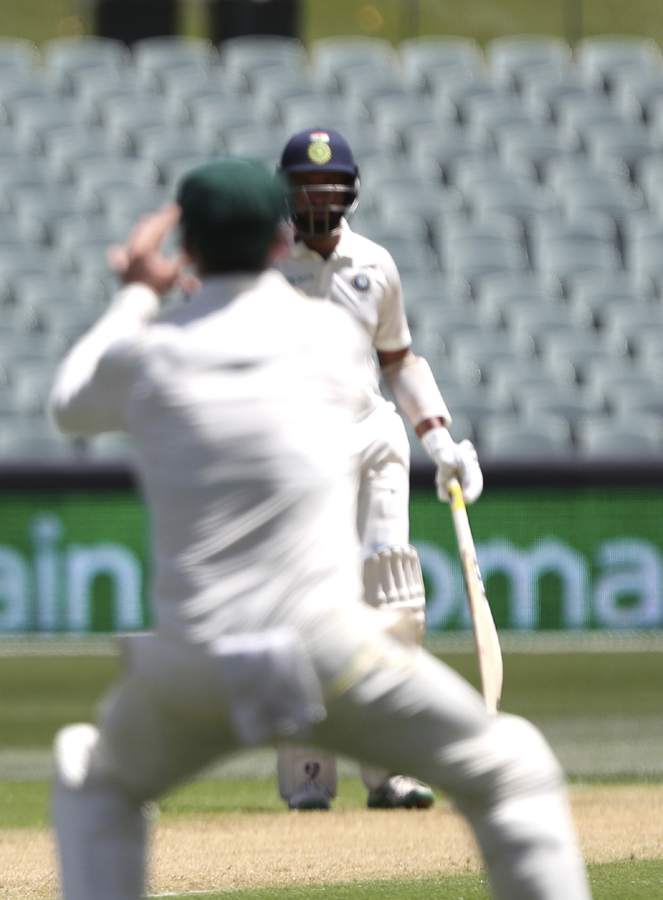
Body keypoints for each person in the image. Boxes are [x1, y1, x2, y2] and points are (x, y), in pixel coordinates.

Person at [48, 157, 590, 900]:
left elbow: (69, 402)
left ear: (191, 253)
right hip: (328, 658)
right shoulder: (334, 346)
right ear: (279, 243)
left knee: (92, 780)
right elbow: (381, 389)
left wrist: (140, 294)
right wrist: (439, 441)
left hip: (188, 667)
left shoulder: (149, 354)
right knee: (516, 768)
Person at [269, 127, 483, 811]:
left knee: (395, 605)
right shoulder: (266, 266)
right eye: (305, 189)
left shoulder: (375, 265)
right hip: (298, 452)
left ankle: (390, 767)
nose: (317, 200)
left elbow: (400, 361)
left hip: (372, 438)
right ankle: (308, 773)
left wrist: (442, 438)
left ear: (350, 193)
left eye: (329, 188)